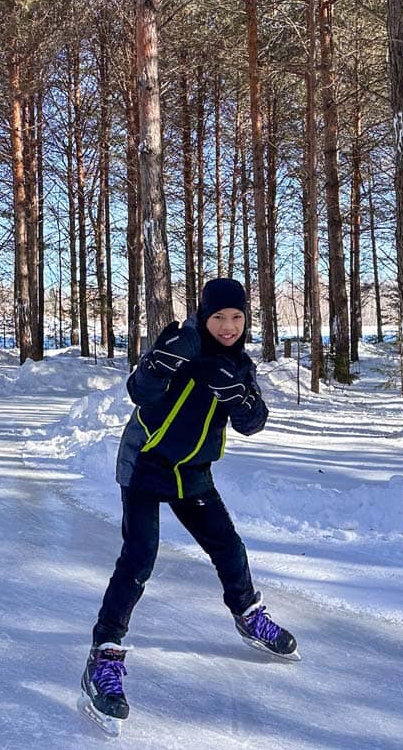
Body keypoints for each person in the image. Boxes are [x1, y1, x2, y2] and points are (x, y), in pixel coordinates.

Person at [80, 278, 298, 733]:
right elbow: (140, 391)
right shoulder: (184, 342)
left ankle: (248, 615)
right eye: (219, 317)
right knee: (139, 557)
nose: (228, 326)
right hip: (145, 463)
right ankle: (104, 655)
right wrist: (158, 365)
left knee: (228, 546)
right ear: (204, 314)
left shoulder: (238, 362)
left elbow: (253, 423)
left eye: (237, 317)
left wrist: (240, 399)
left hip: (192, 471)